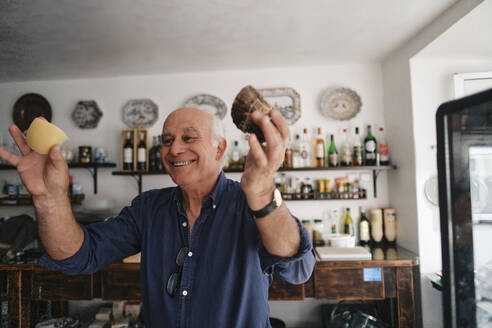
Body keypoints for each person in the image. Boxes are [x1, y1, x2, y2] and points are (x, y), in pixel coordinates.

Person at [0, 107, 315, 327]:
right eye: (166, 140)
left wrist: (262, 197)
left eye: (189, 138)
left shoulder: (249, 203)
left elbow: (298, 268)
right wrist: (49, 198)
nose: (174, 148)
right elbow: (78, 255)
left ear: (220, 150)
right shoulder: (148, 208)